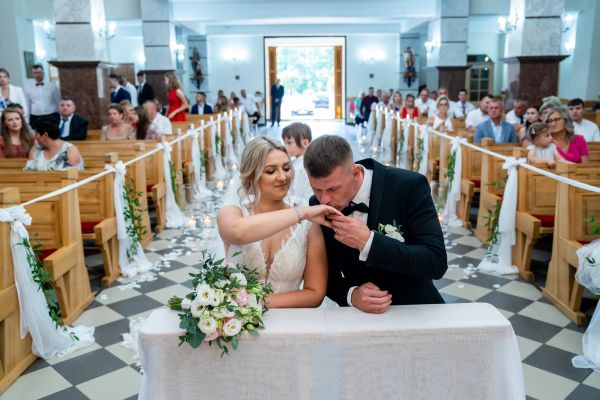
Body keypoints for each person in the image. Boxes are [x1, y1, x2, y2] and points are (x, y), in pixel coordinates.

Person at [304, 135, 447, 312]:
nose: (324, 200)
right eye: (317, 189)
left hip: (417, 309)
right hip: (359, 320)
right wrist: (352, 295)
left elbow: (435, 262)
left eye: (333, 189)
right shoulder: (316, 205)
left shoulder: (408, 186)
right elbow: (328, 278)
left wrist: (369, 242)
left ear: (355, 173)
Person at [217, 136, 341, 307]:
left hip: (288, 324)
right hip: (238, 327)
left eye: (286, 168)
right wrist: (302, 211)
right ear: (252, 175)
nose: (283, 177)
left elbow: (315, 294)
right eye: (271, 171)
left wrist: (254, 304)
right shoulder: (232, 213)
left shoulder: (308, 224)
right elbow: (238, 232)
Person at [282, 122, 313, 205]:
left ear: (305, 143)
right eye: (284, 143)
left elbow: (297, 196)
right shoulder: (297, 162)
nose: (285, 147)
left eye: (289, 143)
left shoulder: (301, 167)